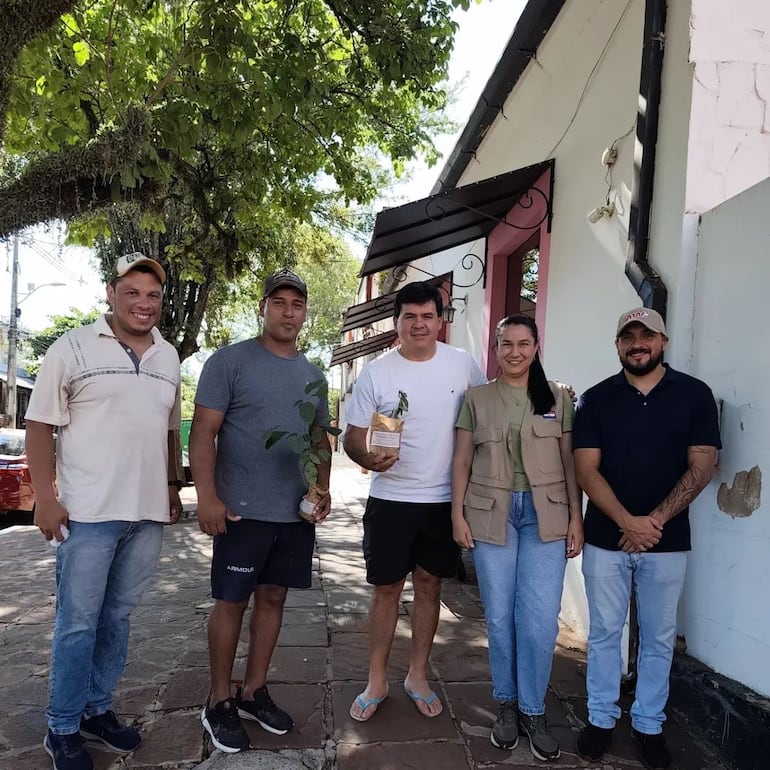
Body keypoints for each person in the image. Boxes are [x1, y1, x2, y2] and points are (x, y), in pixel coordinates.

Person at [25, 253, 183, 770]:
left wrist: (173, 486)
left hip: (146, 515)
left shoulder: (168, 355)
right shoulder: (70, 348)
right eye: (132, 292)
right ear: (110, 294)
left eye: (153, 295)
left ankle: (96, 710)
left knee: (117, 618)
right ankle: (62, 726)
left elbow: (166, 429)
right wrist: (45, 498)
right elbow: (41, 425)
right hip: (88, 514)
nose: (143, 303)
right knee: (77, 624)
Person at [190, 268, 332, 754]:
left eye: (297, 304)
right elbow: (202, 432)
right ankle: (218, 701)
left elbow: (320, 440)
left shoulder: (315, 376)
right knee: (231, 602)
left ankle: (252, 691)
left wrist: (322, 490)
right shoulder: (229, 362)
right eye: (280, 302)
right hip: (239, 512)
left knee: (274, 599)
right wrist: (206, 497)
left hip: (292, 515)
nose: (288, 311)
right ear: (263, 307)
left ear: (305, 313)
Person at [573, 307, 720, 770]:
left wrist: (652, 521)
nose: (638, 343)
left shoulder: (695, 396)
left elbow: (703, 466)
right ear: (618, 345)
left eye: (647, 335)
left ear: (663, 340)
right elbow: (585, 468)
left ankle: (649, 725)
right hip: (604, 538)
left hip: (667, 541)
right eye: (628, 336)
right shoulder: (595, 399)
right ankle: (600, 719)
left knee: (657, 637)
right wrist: (626, 521)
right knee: (603, 634)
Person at [343, 281, 486, 722]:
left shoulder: (463, 365)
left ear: (440, 320)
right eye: (410, 317)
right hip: (391, 498)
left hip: (444, 499)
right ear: (396, 323)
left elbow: (487, 416)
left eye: (427, 316)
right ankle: (376, 680)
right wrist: (370, 458)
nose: (419, 324)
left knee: (429, 586)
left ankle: (418, 675)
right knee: (385, 590)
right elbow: (352, 438)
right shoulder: (377, 373)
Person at [451, 314, 583, 761]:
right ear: (495, 347)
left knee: (541, 619)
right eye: (506, 343)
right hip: (492, 516)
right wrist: (456, 515)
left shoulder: (559, 398)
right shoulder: (477, 398)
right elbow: (462, 462)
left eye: (524, 344)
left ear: (536, 346)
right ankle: (507, 705)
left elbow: (570, 464)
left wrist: (577, 519)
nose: (515, 352)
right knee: (501, 616)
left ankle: (533, 709)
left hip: (546, 517)